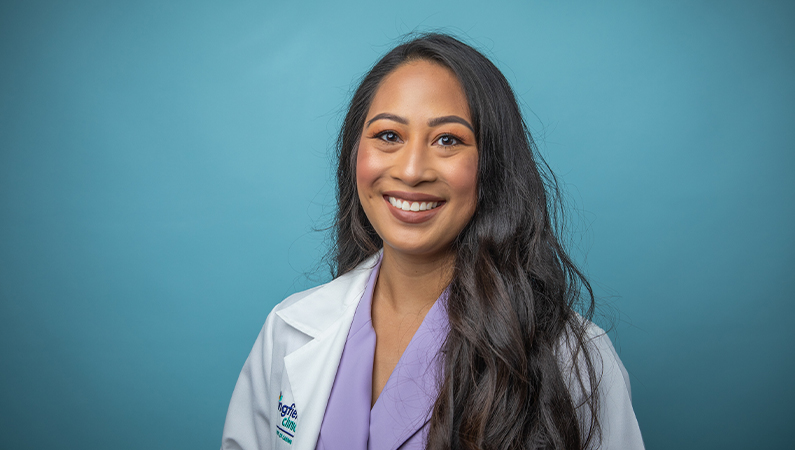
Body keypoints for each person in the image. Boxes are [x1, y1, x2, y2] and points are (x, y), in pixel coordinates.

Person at [221, 33, 644, 450]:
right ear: (354, 152)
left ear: (491, 166)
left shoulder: (572, 356)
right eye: (388, 135)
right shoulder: (289, 329)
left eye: (448, 140)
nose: (411, 170)